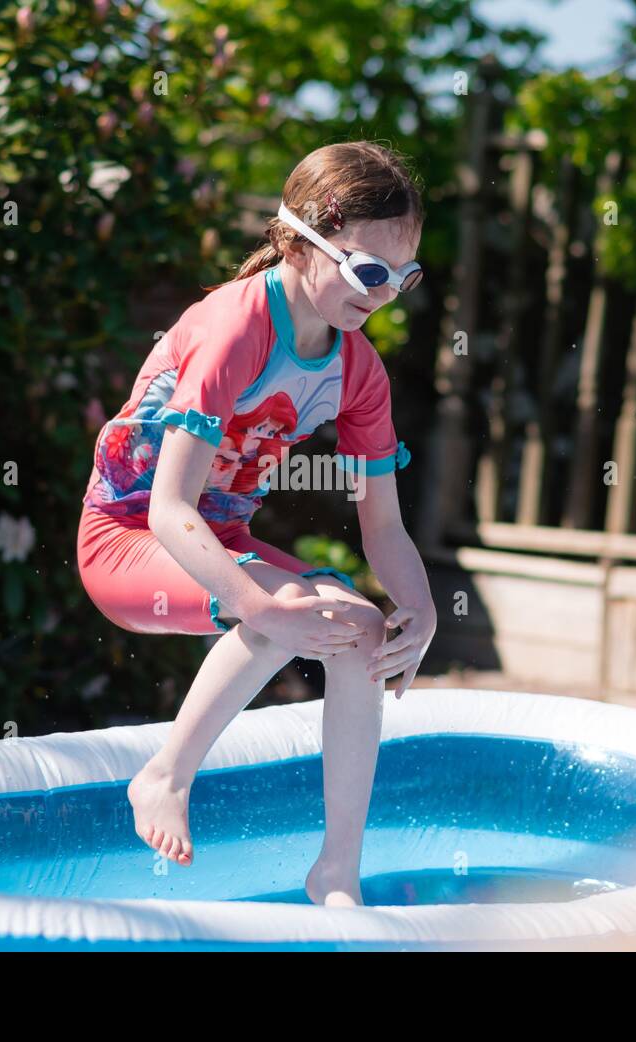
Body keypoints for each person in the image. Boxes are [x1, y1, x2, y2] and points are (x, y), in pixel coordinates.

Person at [76, 141, 437, 906]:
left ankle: (336, 870)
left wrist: (424, 611)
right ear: (300, 240)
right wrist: (258, 603)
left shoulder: (358, 371)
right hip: (129, 539)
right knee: (287, 614)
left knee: (363, 632)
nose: (382, 298)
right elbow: (170, 509)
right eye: (369, 273)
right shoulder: (236, 330)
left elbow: (383, 529)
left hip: (220, 547)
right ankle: (165, 776)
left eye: (402, 279)